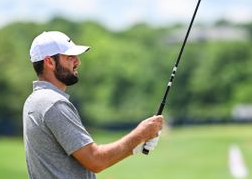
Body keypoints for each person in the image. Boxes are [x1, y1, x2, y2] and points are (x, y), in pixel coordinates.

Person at [23, 31, 164, 179]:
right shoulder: (54, 104)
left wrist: (135, 147)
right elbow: (95, 160)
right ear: (49, 62)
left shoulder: (34, 101)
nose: (78, 62)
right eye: (70, 57)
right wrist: (141, 134)